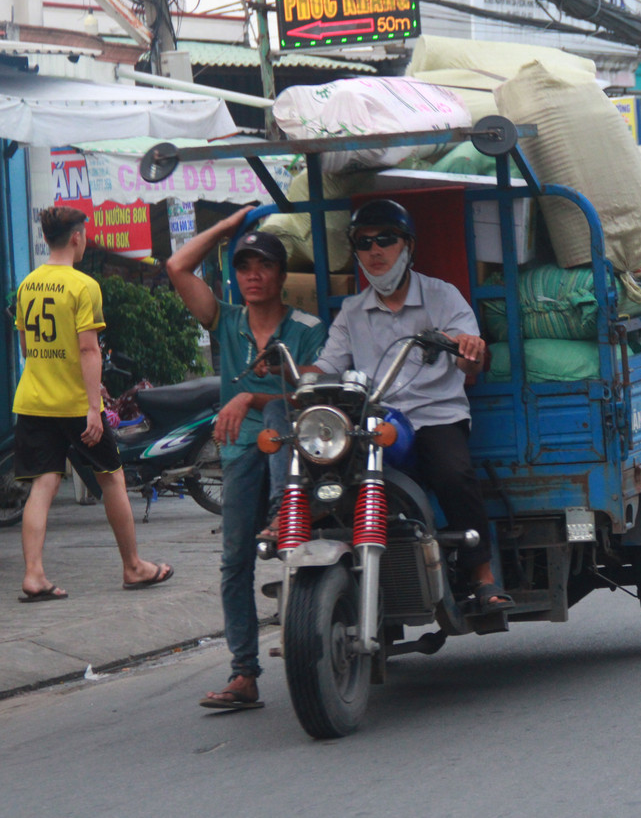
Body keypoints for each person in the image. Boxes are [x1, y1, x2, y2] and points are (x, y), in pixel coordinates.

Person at [309, 198, 513, 612]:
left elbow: (471, 358)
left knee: (454, 473)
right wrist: (293, 375)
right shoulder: (351, 312)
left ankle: (483, 577)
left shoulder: (442, 296)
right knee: (333, 476)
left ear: (408, 246)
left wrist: (470, 347)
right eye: (364, 242)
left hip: (436, 415)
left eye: (386, 239)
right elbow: (327, 368)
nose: (375, 250)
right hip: (378, 421)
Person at [166, 207, 327, 711]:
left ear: (281, 276)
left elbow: (315, 391)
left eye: (264, 266)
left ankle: (284, 515)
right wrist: (225, 229)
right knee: (234, 562)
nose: (253, 275)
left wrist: (254, 395)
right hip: (239, 453)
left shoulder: (307, 327)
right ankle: (244, 674)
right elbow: (176, 268)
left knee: (279, 411)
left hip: (295, 451)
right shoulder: (227, 320)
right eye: (244, 266)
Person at [13, 206, 173, 603]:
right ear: (76, 237)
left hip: (34, 400)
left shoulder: (27, 285)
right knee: (111, 477)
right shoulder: (83, 286)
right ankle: (133, 566)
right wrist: (91, 405)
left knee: (43, 484)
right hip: (73, 405)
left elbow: (26, 347)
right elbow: (88, 349)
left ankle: (33, 575)